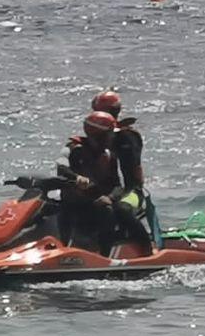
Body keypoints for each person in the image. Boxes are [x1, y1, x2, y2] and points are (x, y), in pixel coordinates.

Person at [90, 88, 155, 249]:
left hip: (132, 191)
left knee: (122, 209)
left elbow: (130, 159)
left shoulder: (127, 136)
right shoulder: (97, 135)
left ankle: (146, 247)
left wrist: (112, 135)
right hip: (111, 189)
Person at [57, 111, 120, 256]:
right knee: (58, 208)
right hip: (74, 204)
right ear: (98, 135)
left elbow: (117, 185)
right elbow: (61, 167)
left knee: (111, 211)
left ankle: (106, 256)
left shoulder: (109, 155)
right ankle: (62, 249)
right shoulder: (72, 148)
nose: (113, 137)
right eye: (110, 134)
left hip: (98, 205)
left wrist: (110, 198)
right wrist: (76, 177)